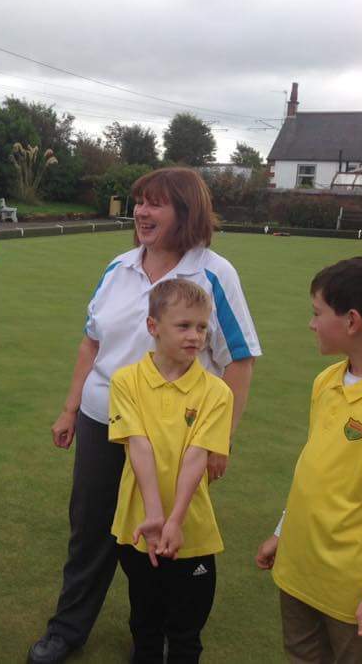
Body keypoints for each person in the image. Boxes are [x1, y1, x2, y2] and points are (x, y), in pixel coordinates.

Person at [28, 167, 261, 663]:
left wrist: (220, 440)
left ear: (186, 212)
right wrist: (70, 409)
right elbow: (92, 343)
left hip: (175, 436)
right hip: (102, 421)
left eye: (155, 203)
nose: (141, 212)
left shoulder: (214, 273)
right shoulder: (118, 267)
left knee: (162, 532)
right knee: (90, 530)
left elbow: (239, 360)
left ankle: (153, 635)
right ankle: (67, 629)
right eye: (139, 202)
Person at [256, 256, 362, 663]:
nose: (311, 324)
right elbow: (313, 469)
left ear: (352, 321)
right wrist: (283, 531)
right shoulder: (326, 381)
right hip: (298, 567)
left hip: (349, 589)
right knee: (301, 654)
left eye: (317, 313)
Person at [110, 278, 232, 663]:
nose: (195, 336)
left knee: (185, 634)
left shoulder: (217, 392)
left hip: (191, 529)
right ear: (153, 326)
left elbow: (196, 457)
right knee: (144, 625)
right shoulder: (126, 381)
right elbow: (139, 446)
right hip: (138, 525)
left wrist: (174, 520)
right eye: (183, 326)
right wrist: (154, 516)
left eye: (201, 326)